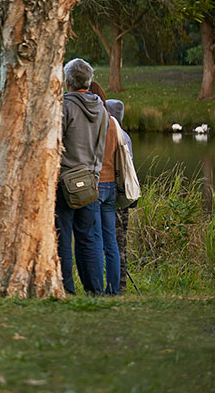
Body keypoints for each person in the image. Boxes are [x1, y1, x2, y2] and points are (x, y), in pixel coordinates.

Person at [57, 58, 107, 295]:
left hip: (64, 182)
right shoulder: (101, 108)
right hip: (91, 181)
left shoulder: (64, 107)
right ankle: (95, 290)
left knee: (63, 238)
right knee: (88, 240)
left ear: (67, 81)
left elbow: (55, 142)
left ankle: (66, 289)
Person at [93, 87, 124, 296]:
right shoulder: (113, 122)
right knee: (111, 240)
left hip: (95, 185)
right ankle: (114, 288)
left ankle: (95, 287)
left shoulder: (95, 122)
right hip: (112, 184)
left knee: (95, 238)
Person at [106, 99, 134, 294]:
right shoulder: (126, 136)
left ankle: (116, 288)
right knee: (120, 243)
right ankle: (119, 287)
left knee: (114, 244)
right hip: (125, 199)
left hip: (115, 197)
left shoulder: (114, 135)